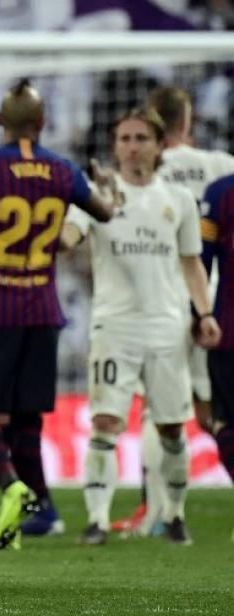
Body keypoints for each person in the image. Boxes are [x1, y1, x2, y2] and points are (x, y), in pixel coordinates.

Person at [0, 80, 116, 549]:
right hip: (43, 310)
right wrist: (108, 187)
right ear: (42, 122)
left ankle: (14, 487)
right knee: (25, 418)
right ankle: (44, 508)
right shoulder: (64, 170)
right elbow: (105, 212)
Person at [60, 107, 221, 546]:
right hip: (114, 326)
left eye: (141, 138)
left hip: (167, 328)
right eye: (125, 138)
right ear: (115, 146)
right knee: (106, 421)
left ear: (159, 146)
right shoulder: (96, 195)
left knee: (171, 427)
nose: (133, 147)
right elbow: (65, 241)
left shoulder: (180, 201)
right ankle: (96, 520)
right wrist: (91, 211)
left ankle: (173, 515)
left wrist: (205, 313)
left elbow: (192, 265)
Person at [110, 86, 234, 534]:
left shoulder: (149, 173)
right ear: (189, 119)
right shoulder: (222, 166)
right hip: (216, 302)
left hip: (162, 299)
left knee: (158, 412)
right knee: (211, 413)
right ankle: (168, 513)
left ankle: (155, 513)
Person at [197, 172, 234, 541]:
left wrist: (199, 314)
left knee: (223, 421)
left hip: (229, 327)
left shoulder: (221, 192)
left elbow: (201, 259)